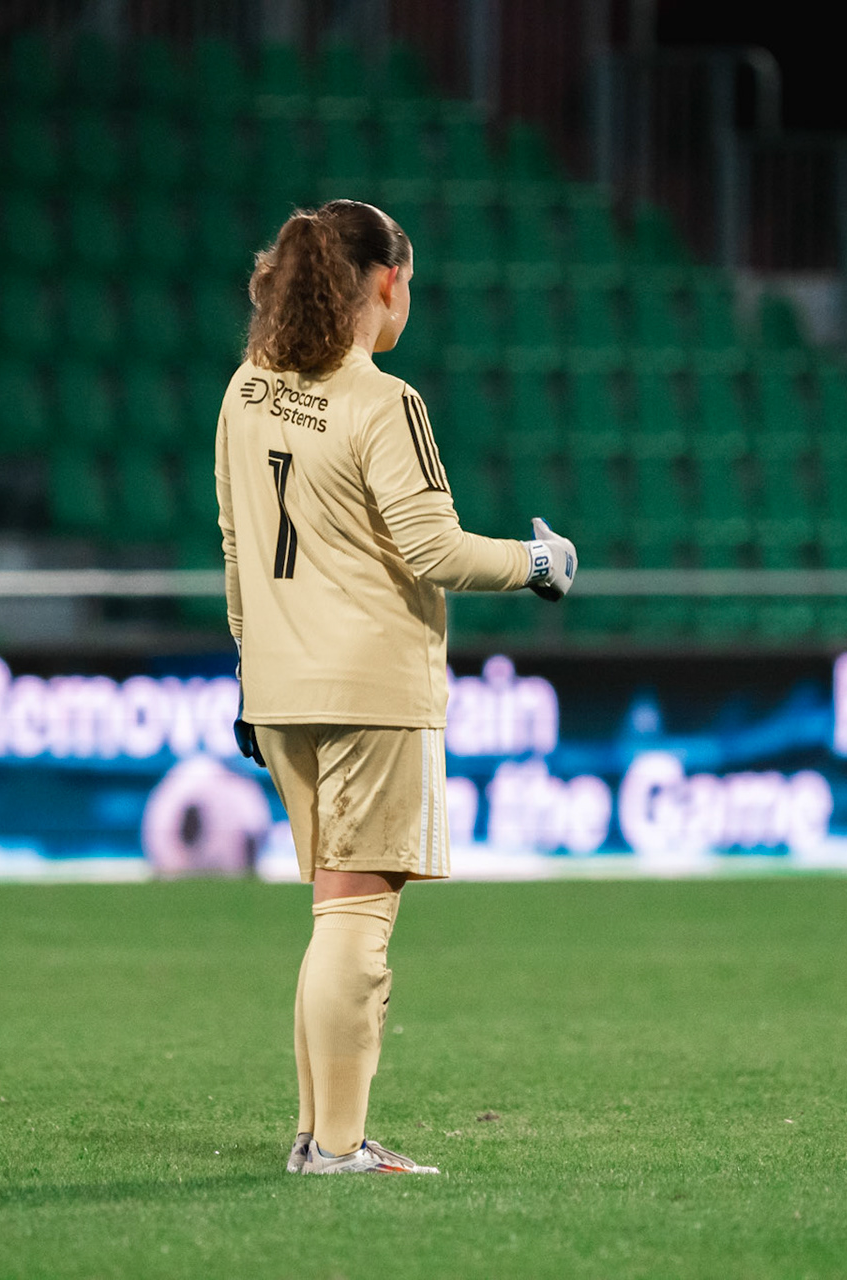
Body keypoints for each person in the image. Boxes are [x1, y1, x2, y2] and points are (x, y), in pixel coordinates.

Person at [215, 200, 578, 1175]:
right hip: (370, 685)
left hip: (283, 688)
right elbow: (434, 546)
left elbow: (238, 547)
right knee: (357, 923)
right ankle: (336, 1145)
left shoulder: (250, 388)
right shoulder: (383, 401)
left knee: (332, 914)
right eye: (407, 281)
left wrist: (252, 668)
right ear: (385, 282)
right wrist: (540, 562)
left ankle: (319, 1135)